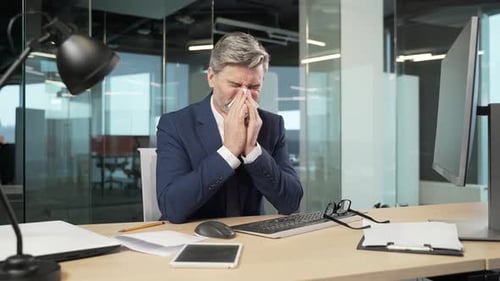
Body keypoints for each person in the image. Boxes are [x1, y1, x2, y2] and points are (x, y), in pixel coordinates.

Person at [156, 32, 303, 223]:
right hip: (193, 236)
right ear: (211, 77)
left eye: (254, 87)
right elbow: (172, 207)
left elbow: (291, 203)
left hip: (254, 238)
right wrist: (229, 152)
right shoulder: (175, 125)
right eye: (234, 84)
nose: (244, 95)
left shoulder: (272, 125)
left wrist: (253, 151)